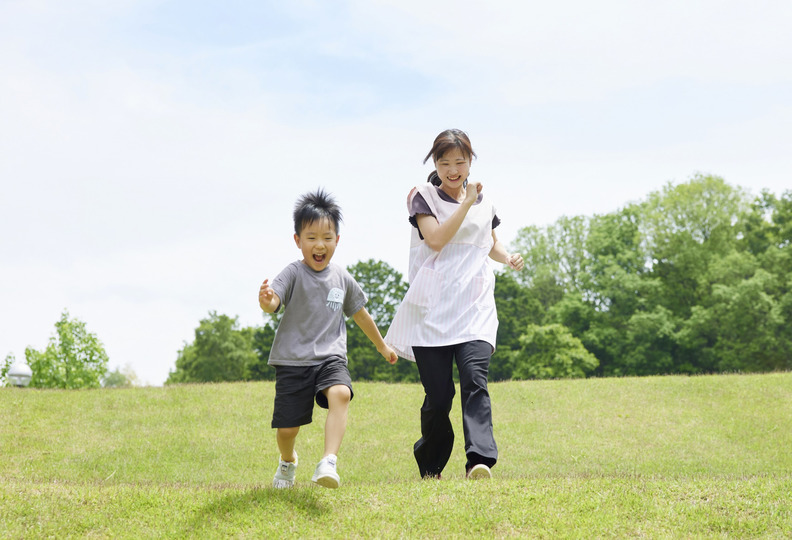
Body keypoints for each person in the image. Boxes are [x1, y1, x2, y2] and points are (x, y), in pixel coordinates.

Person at [385, 129, 524, 480]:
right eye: (444, 162)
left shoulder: (484, 203)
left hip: (474, 308)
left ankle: (479, 460)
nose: (453, 170)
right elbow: (435, 240)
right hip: (431, 311)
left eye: (460, 162)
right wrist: (466, 203)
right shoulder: (422, 197)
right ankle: (430, 467)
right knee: (439, 396)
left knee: (475, 380)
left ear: (470, 162)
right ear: (435, 163)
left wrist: (507, 256)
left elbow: (489, 242)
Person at [259, 188, 398, 489]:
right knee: (287, 430)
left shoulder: (342, 278)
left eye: (327, 237)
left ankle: (328, 461)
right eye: (311, 237)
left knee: (341, 393)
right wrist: (267, 301)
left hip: (330, 357)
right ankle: (287, 461)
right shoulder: (293, 273)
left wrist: (382, 345)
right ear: (298, 240)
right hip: (292, 360)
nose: (319, 245)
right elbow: (274, 302)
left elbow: (361, 315)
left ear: (337, 240)